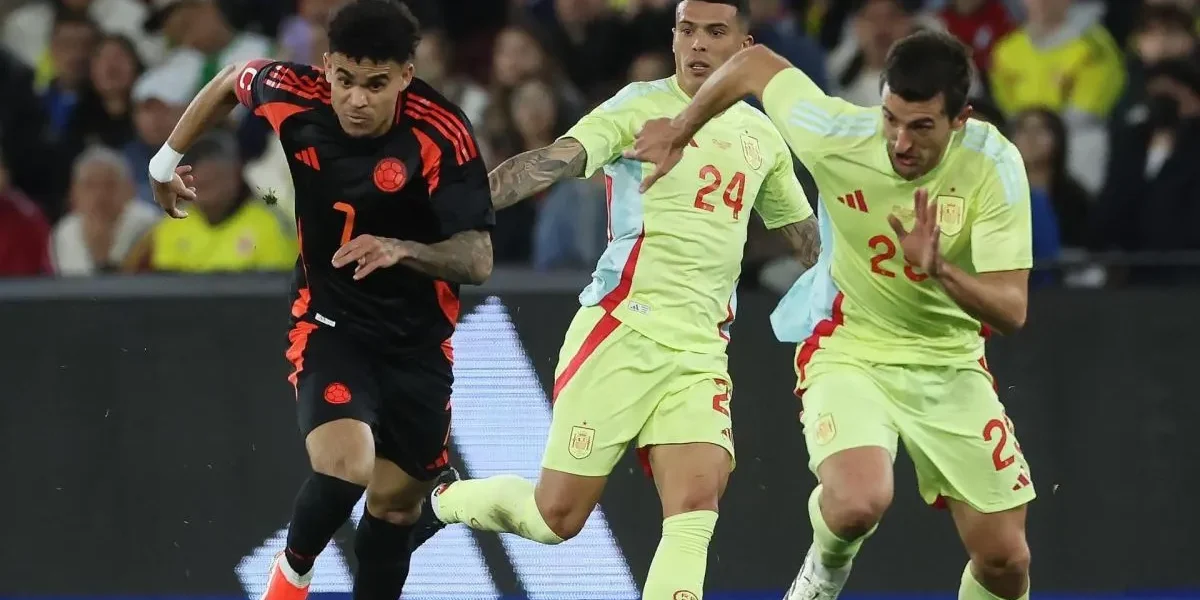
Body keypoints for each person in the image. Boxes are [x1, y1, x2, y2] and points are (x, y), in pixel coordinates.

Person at [410, 1, 821, 598]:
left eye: (714, 32)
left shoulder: (762, 137)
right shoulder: (637, 107)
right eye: (687, 31)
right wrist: (451, 209)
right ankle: (445, 499)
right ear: (673, 37)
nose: (698, 44)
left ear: (744, 45)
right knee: (557, 520)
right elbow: (549, 162)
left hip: (701, 351)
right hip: (621, 331)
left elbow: (807, 242)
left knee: (695, 506)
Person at [626, 30, 1035, 600]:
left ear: (960, 119)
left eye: (922, 127)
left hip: (949, 362)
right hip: (851, 347)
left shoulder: (993, 165)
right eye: (891, 118)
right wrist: (682, 127)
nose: (900, 142)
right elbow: (754, 63)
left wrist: (940, 269)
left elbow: (1012, 308)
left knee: (1005, 560)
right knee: (856, 503)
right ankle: (824, 570)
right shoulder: (838, 134)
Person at [144, 1, 493, 599]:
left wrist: (401, 249)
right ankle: (292, 577)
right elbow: (232, 81)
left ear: (406, 77)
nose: (357, 99)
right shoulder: (295, 94)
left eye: (376, 85)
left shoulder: (441, 131)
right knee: (344, 467)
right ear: (327, 67)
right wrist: (164, 161)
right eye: (346, 80)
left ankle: (417, 513)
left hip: (417, 346)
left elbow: (477, 257)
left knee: (391, 520)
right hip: (331, 322)